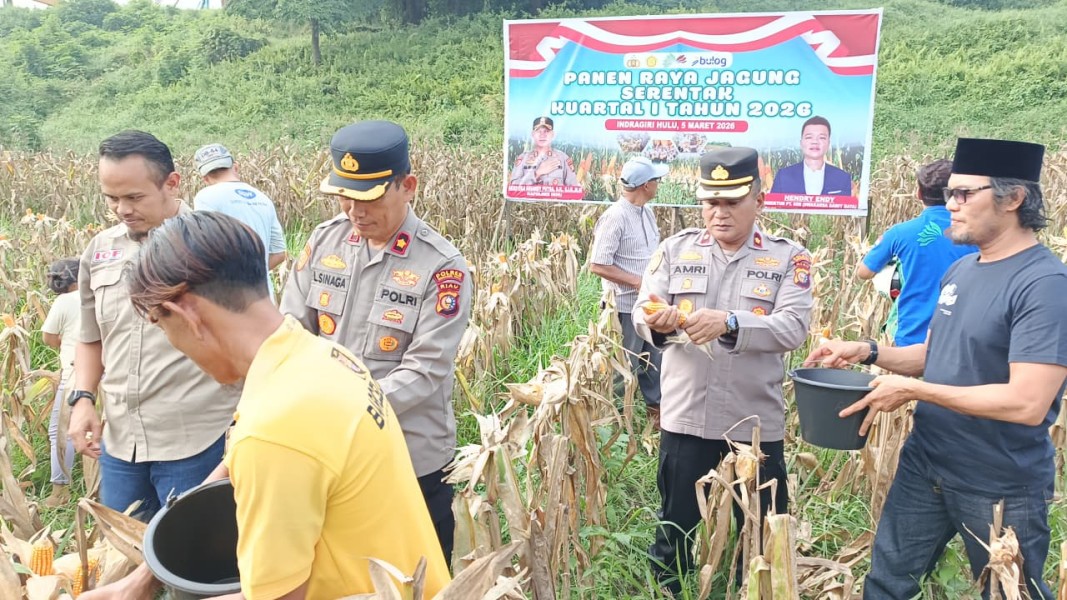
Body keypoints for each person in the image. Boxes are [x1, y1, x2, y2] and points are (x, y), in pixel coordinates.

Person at [81, 211, 449, 600]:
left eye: (160, 324)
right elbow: (236, 462)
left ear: (185, 314)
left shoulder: (275, 428)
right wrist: (140, 582)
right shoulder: (318, 355)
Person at [806, 138, 1067, 599]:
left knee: (1009, 592)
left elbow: (1028, 402)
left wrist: (914, 392)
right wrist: (865, 351)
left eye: (965, 194)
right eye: (950, 193)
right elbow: (933, 356)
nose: (952, 204)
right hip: (927, 462)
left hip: (998, 481)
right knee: (886, 583)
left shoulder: (1044, 285)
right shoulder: (962, 270)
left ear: (1014, 199)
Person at [281, 120, 471, 565]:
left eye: (368, 198)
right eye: (344, 196)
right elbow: (291, 327)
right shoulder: (324, 240)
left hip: (407, 452)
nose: (354, 211)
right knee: (342, 568)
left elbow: (424, 370)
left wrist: (341, 407)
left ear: (408, 186)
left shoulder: (442, 267)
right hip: (326, 447)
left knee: (414, 571)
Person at [634, 147, 814, 592]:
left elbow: (792, 327)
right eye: (712, 202)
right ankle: (668, 591)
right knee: (675, 527)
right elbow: (643, 308)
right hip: (687, 417)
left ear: (760, 200)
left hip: (753, 425)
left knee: (759, 534)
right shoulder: (675, 250)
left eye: (732, 202)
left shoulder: (788, 258)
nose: (720, 213)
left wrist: (731, 322)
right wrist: (657, 320)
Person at [68, 130, 239, 520]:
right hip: (120, 444)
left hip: (197, 440)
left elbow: (250, 339)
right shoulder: (101, 250)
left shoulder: (214, 247)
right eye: (111, 198)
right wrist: (82, 400)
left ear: (172, 183)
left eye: (134, 197)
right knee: (121, 555)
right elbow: (91, 337)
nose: (121, 210)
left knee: (191, 568)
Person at [856, 159, 978, 346]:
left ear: (919, 193)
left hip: (910, 335)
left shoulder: (899, 233)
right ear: (958, 194)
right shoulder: (978, 234)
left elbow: (863, 273)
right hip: (960, 341)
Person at [589, 156, 668, 425]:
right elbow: (598, 264)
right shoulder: (615, 217)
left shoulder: (647, 212)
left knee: (653, 362)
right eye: (656, 180)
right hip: (623, 307)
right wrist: (637, 282)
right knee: (623, 369)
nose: (659, 184)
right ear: (646, 185)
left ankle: (655, 417)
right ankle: (614, 424)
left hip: (649, 305)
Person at [192, 143, 287, 300]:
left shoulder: (206, 196)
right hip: (265, 299)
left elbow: (202, 249)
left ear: (205, 178)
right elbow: (279, 253)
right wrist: (254, 273)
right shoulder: (263, 199)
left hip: (230, 302)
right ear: (235, 167)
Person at [40, 257, 80, 508]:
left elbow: (48, 338)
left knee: (61, 430)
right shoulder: (97, 297)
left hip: (75, 373)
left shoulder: (63, 301)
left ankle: (60, 492)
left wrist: (64, 345)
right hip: (109, 371)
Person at [769, 116, 853, 196]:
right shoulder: (783, 176)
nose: (815, 142)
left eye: (822, 138)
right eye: (809, 137)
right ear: (801, 143)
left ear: (828, 143)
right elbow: (772, 209)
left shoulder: (842, 178)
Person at [508, 116, 579, 186]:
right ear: (533, 134)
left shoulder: (563, 158)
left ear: (552, 134)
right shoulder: (523, 158)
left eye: (546, 131)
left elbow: (573, 187)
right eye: (538, 131)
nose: (542, 135)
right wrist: (537, 173)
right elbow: (513, 187)